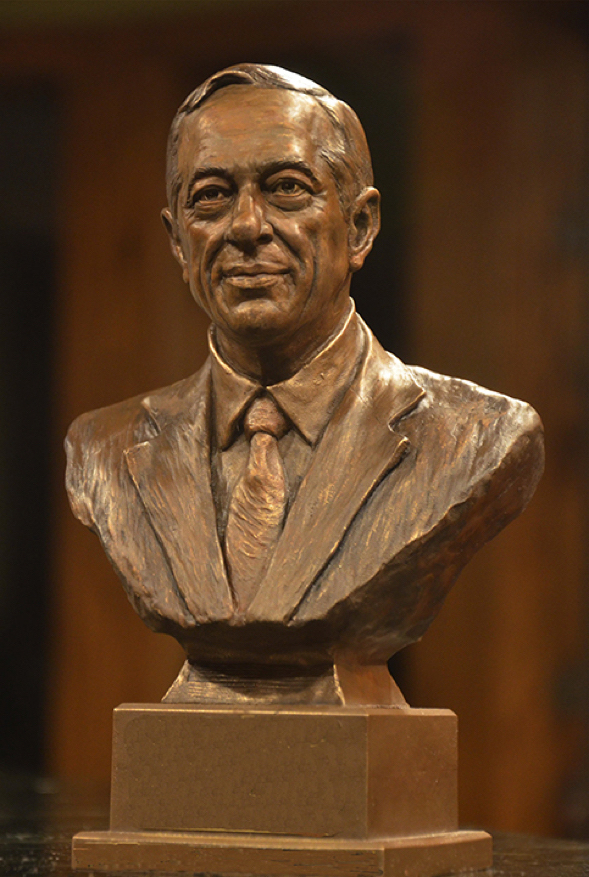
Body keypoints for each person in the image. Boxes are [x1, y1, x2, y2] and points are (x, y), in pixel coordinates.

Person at [65, 64, 544, 705]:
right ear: (178, 241)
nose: (246, 227)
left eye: (287, 189)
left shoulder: (479, 439)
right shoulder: (104, 449)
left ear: (360, 227)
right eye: (210, 196)